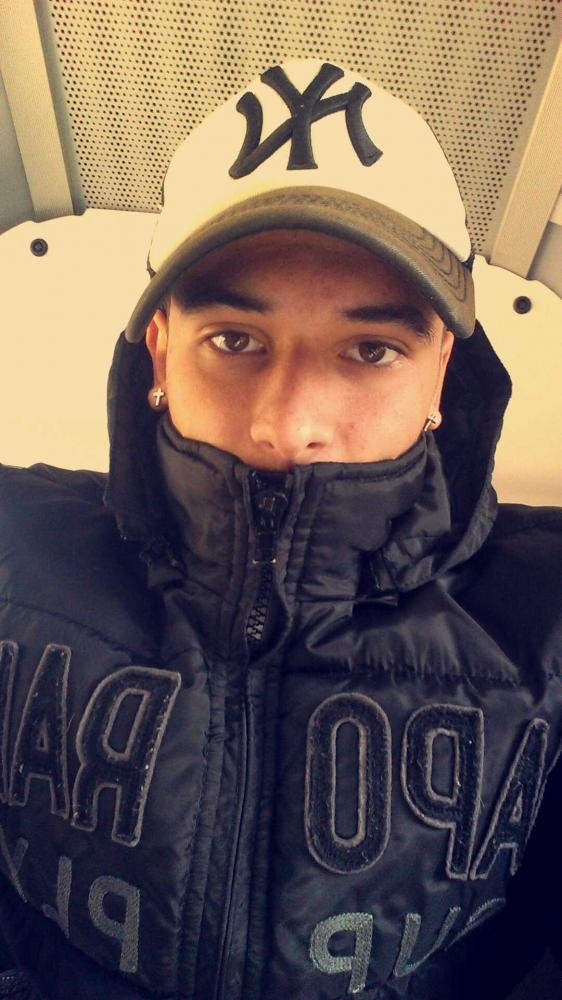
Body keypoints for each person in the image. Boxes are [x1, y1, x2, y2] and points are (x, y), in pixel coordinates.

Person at [0, 58, 561, 1000]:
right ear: (161, 352)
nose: (289, 425)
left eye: (371, 350)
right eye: (235, 341)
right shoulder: (11, 555)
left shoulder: (548, 619)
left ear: (442, 374)